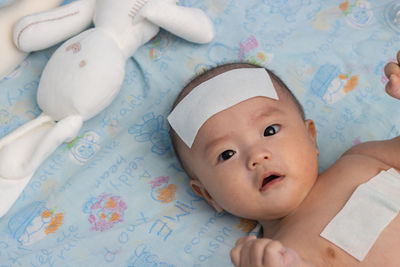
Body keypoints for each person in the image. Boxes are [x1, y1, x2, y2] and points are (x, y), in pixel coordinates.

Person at [168, 51, 400, 267]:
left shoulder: (361, 159)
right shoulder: (271, 256)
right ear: (209, 194)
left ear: (310, 136)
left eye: (270, 130)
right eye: (227, 154)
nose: (257, 155)